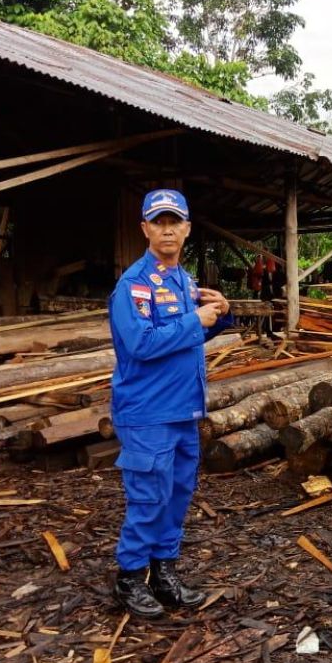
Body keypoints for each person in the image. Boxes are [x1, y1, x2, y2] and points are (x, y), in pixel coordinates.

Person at [108, 188, 233, 618]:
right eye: (158, 222)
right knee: (148, 496)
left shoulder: (184, 280)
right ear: (144, 228)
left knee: (177, 494)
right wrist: (192, 320)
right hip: (147, 413)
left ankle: (164, 572)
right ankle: (129, 578)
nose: (167, 230)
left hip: (184, 409)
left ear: (187, 229)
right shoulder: (133, 285)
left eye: (174, 222)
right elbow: (140, 344)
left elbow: (190, 335)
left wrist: (221, 313)